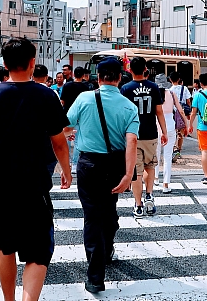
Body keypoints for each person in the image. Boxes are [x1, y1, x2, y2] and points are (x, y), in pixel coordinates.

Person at [0, 38, 71, 301]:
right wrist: (66, 170)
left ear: (5, 64)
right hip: (35, 183)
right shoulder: (46, 95)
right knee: (38, 251)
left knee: (5, 247)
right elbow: (60, 143)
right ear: (33, 63)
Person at [65, 56, 138, 293]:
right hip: (116, 165)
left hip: (89, 164)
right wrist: (128, 175)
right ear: (119, 78)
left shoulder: (84, 98)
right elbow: (132, 141)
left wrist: (76, 132)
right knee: (109, 208)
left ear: (97, 77)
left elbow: (65, 126)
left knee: (92, 215)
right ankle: (107, 251)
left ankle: (95, 276)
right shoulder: (129, 106)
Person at [120, 57, 167, 217]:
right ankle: (149, 194)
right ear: (145, 69)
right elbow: (159, 111)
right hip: (151, 134)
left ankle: (138, 205)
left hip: (133, 135)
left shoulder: (125, 88)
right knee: (150, 166)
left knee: (136, 172)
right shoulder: (153, 87)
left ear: (130, 70)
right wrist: (164, 132)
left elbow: (122, 114)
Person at [154, 74, 188, 194]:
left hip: (156, 126)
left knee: (156, 154)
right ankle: (166, 184)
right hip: (170, 126)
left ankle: (156, 178)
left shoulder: (153, 94)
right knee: (168, 157)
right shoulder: (172, 94)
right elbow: (181, 110)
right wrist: (187, 125)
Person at [60, 66, 93, 173]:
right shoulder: (87, 87)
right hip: (82, 117)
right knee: (78, 141)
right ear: (83, 75)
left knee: (66, 140)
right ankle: (74, 163)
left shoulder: (67, 85)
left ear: (74, 74)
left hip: (67, 115)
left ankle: (66, 162)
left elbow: (62, 101)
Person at [169, 72, 191, 160]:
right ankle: (178, 150)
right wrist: (188, 112)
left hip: (172, 113)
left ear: (170, 80)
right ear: (179, 79)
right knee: (180, 133)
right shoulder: (184, 88)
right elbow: (188, 101)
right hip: (182, 112)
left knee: (173, 131)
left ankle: (173, 150)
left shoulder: (169, 90)